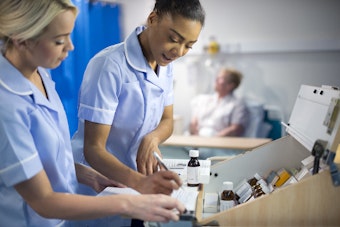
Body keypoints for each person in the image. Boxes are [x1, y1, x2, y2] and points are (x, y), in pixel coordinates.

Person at [0, 1, 185, 226]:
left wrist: (87, 175)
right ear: (21, 38)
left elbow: (45, 158)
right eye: (59, 40)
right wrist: (132, 203)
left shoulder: (40, 76)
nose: (70, 47)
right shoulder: (6, 105)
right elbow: (43, 201)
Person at [71, 0, 205, 178]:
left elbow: (167, 121)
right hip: (96, 178)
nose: (179, 52)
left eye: (188, 46)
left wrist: (152, 139)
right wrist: (141, 184)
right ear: (152, 19)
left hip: (132, 177)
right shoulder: (109, 65)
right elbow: (94, 149)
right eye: (173, 39)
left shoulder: (165, 64)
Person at [189, 67, 250, 138]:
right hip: (197, 139)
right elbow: (194, 122)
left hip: (219, 141)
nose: (216, 80)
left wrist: (215, 139)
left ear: (230, 85)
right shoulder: (204, 100)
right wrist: (196, 137)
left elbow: (236, 128)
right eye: (217, 78)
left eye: (220, 78)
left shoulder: (237, 104)